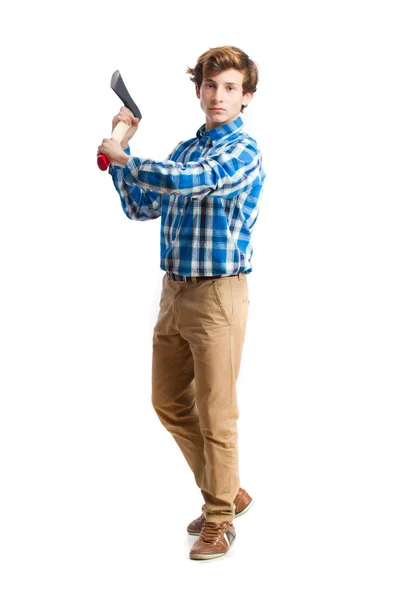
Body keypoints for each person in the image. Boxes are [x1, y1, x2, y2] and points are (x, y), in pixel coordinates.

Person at [97, 45, 266, 561]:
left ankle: (220, 519)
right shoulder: (182, 150)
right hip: (174, 292)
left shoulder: (241, 152)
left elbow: (198, 183)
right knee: (168, 400)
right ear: (198, 91)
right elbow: (141, 205)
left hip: (218, 295)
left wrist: (130, 157)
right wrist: (122, 151)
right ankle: (230, 490)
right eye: (211, 86)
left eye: (230, 88)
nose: (218, 96)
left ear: (246, 97)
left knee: (217, 413)